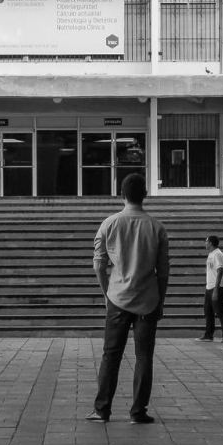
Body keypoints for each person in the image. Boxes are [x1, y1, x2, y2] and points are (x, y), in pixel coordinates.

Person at [89, 172, 168, 424]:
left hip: (117, 298)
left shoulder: (109, 224)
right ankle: (138, 412)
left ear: (121, 195)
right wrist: (160, 301)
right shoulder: (157, 227)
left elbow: (99, 264)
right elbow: (163, 271)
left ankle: (102, 410)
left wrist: (107, 294)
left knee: (110, 355)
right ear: (145, 194)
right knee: (144, 357)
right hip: (148, 300)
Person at [200, 235, 223, 342]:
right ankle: (208, 335)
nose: (205, 243)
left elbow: (220, 271)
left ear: (211, 243)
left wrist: (216, 289)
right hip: (209, 287)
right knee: (208, 311)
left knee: (220, 311)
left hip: (218, 286)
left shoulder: (218, 254)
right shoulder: (211, 254)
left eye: (206, 241)